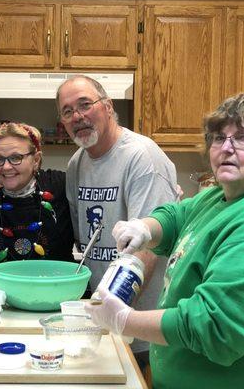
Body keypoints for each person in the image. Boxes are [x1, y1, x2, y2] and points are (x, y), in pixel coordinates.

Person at [86, 92, 244, 388]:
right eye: (219, 138)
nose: (226, 149)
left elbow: (214, 328)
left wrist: (124, 321)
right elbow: (180, 215)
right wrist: (145, 227)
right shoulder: (226, 194)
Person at [56, 75, 178, 365]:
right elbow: (83, 238)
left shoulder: (142, 158)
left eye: (85, 104)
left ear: (107, 107)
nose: (78, 116)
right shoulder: (77, 163)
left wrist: (116, 312)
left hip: (140, 325)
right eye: (68, 111)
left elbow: (146, 248)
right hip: (104, 319)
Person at [0, 122, 74, 290]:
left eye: (16, 158)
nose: (6, 167)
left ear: (36, 160)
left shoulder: (62, 185)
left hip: (57, 294)